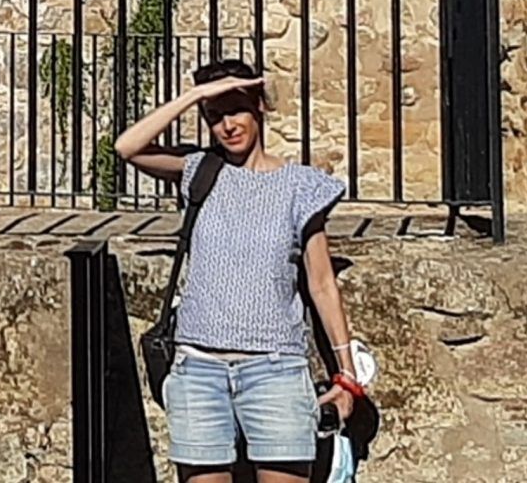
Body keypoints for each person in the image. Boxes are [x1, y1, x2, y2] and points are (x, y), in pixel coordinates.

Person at [115, 56, 363, 483]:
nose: (227, 125)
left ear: (259, 107)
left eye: (236, 110)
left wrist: (348, 374)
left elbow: (321, 283)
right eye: (215, 116)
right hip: (198, 371)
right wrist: (195, 94)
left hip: (275, 371)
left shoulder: (300, 186)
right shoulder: (199, 170)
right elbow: (127, 147)